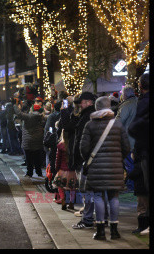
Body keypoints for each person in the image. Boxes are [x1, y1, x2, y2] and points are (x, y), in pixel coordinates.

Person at [80, 96, 130, 240]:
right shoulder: (118, 124)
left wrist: (89, 159)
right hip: (115, 166)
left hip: (96, 167)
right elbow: (126, 147)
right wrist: (118, 158)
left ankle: (101, 231)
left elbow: (83, 148)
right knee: (114, 197)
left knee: (98, 197)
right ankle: (114, 231)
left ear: (96, 108)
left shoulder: (90, 125)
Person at [71, 92, 98, 230]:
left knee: (87, 190)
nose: (80, 105)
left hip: (85, 160)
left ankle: (87, 218)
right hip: (92, 159)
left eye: (81, 102)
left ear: (88, 102)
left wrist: (82, 158)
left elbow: (82, 142)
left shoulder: (87, 117)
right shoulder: (91, 115)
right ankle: (96, 218)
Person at [128, 73, 149, 235]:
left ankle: (144, 223)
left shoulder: (144, 102)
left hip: (143, 151)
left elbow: (134, 127)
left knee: (143, 189)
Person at [115, 85, 138, 192]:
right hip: (139, 139)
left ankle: (131, 185)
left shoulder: (126, 106)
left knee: (129, 163)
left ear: (124, 95)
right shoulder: (139, 102)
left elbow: (118, 123)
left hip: (128, 140)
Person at [13, 102, 46, 177]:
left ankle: (29, 172)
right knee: (37, 157)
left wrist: (15, 105)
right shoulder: (41, 117)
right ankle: (39, 172)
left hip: (28, 140)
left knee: (29, 158)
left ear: (32, 109)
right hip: (38, 140)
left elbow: (19, 114)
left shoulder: (28, 117)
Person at [53, 129, 78, 210]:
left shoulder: (60, 145)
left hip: (62, 170)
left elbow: (58, 159)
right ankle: (71, 202)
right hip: (72, 171)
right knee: (72, 187)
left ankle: (63, 199)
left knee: (60, 186)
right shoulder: (74, 144)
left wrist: (56, 168)